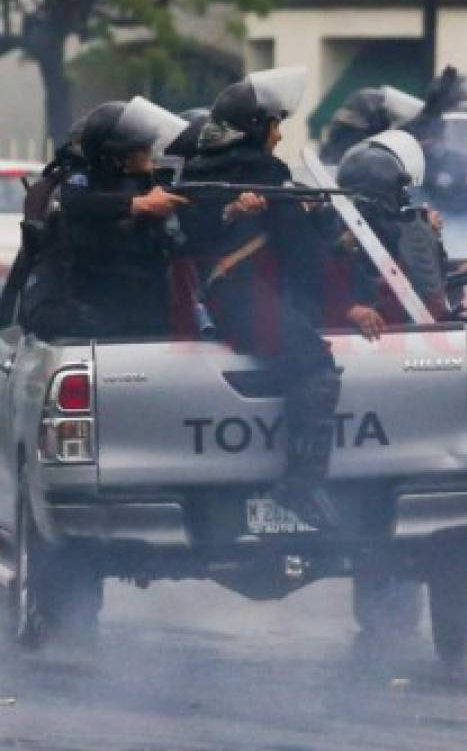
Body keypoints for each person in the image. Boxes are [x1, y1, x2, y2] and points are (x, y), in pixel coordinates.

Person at [181, 67, 376, 531]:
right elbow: (299, 252)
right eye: (274, 123)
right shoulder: (263, 172)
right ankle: (301, 484)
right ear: (255, 128)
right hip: (243, 296)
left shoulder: (197, 171)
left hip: (227, 294)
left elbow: (191, 234)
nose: (279, 133)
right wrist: (344, 301)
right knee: (314, 363)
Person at [22, 100, 189, 339]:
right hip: (93, 310)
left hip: (150, 310)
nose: (150, 156)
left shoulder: (152, 182)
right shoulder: (82, 180)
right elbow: (77, 203)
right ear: (116, 156)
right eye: (141, 150)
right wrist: (137, 204)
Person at [335, 130, 457, 320]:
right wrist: (428, 235)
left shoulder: (334, 223)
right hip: (395, 321)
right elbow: (430, 293)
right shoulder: (399, 230)